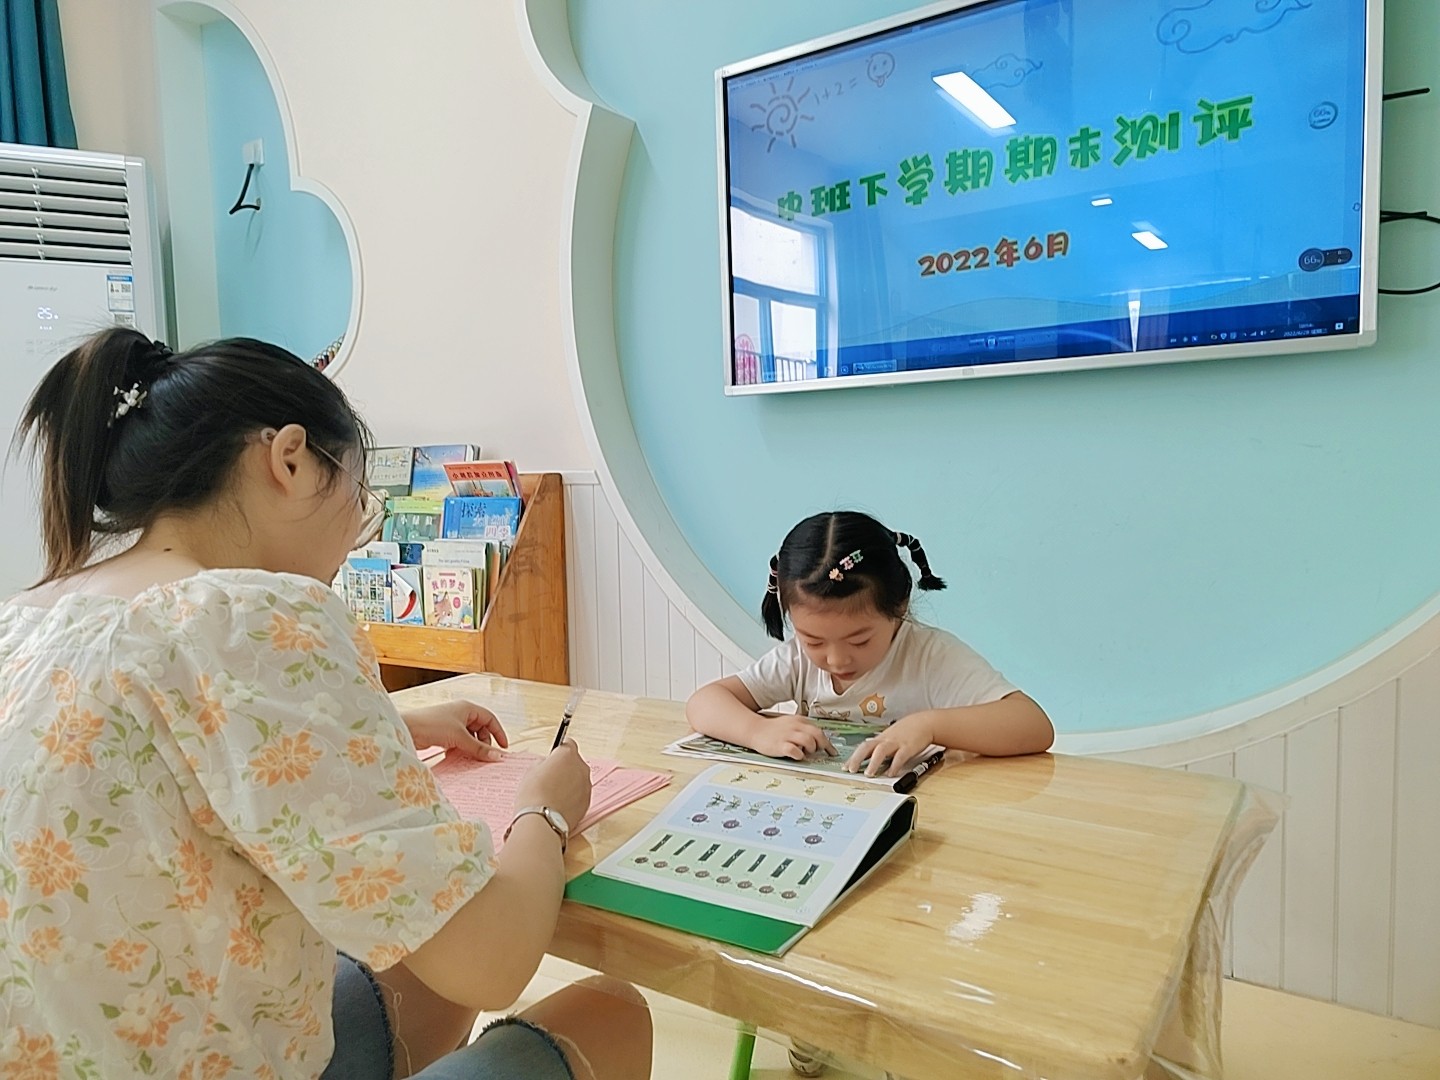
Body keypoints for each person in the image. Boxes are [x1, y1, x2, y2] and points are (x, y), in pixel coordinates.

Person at [0, 328, 652, 1079]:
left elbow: (150, 757)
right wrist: (546, 810)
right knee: (611, 1011)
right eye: (358, 499)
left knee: (412, 969)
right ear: (289, 459)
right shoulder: (251, 616)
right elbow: (491, 961)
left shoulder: (31, 617)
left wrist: (394, 724)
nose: (355, 536)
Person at [686, 511, 1053, 777]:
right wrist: (758, 731)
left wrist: (929, 725)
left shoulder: (928, 656)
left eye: (859, 640)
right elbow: (704, 702)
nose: (836, 659)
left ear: (899, 607)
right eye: (813, 640)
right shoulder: (796, 659)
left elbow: (1033, 725)